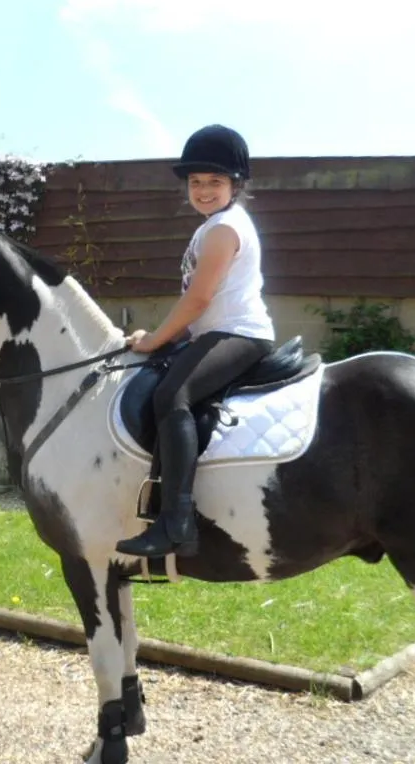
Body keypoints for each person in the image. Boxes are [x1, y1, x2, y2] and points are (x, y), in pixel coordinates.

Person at [115, 124, 275, 559]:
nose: (204, 190)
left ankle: (176, 524)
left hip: (241, 334)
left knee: (172, 395)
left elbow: (199, 298)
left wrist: (155, 340)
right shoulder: (213, 226)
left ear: (235, 185)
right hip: (217, 331)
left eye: (215, 182)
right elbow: (202, 306)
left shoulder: (224, 229)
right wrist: (159, 338)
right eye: (196, 182)